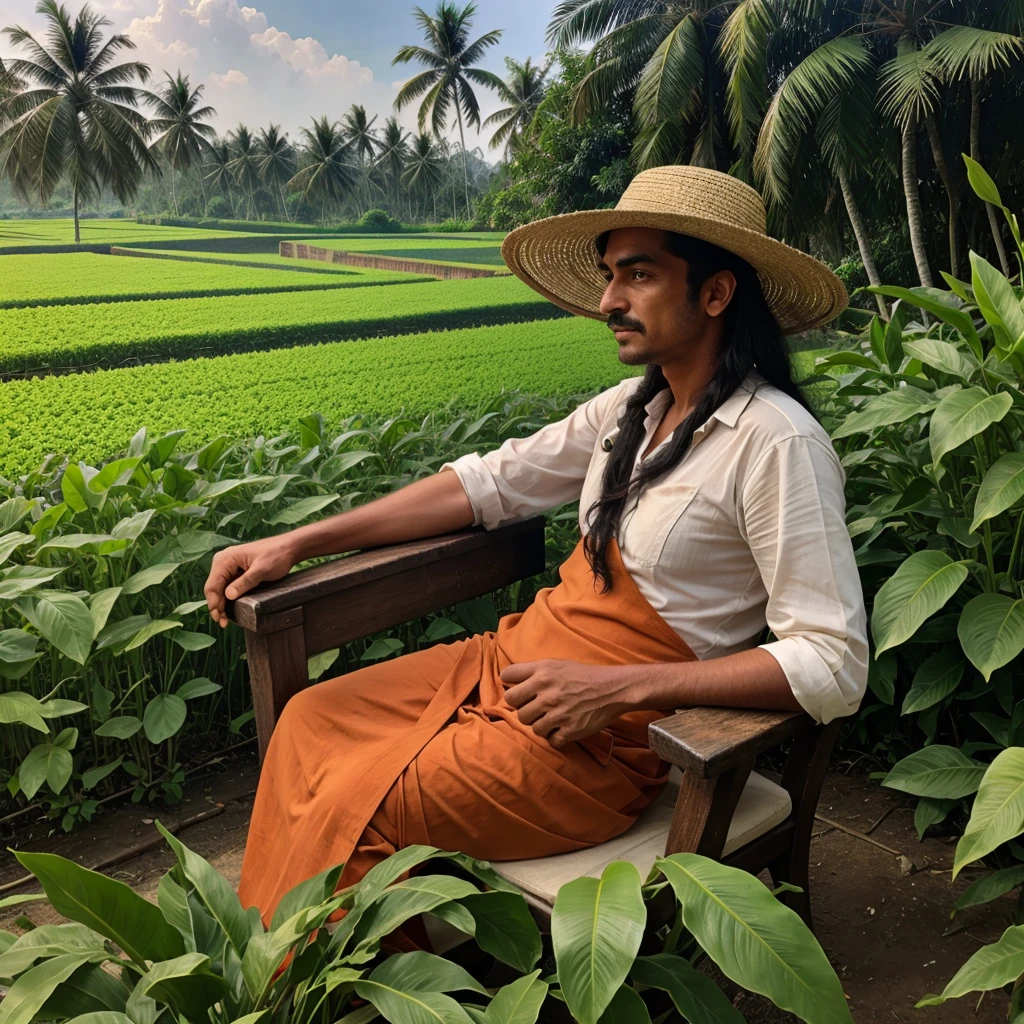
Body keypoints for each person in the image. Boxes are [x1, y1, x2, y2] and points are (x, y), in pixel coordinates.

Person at [204, 164, 869, 925]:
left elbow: (832, 661)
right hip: (510, 662)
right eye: (609, 275)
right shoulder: (633, 405)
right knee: (309, 722)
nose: (609, 301)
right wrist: (299, 541)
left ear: (715, 294)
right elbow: (488, 485)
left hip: (598, 741)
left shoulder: (776, 443)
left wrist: (620, 690)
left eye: (639, 275)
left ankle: (330, 997)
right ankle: (268, 975)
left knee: (362, 801)